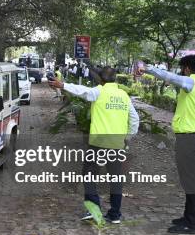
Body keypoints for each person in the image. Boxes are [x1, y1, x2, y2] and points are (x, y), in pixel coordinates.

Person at [49, 67, 140, 224]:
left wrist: (62, 85)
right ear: (115, 79)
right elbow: (135, 119)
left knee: (89, 174)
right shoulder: (124, 96)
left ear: (101, 79)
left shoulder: (99, 91)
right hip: (117, 144)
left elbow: (82, 90)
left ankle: (94, 208)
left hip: (98, 144)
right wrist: (127, 138)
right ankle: (115, 214)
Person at [136, 55, 195, 234]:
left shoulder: (191, 83)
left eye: (182, 69)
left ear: (186, 68)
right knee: (190, 180)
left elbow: (169, 77)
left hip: (189, 139)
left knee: (192, 181)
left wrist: (147, 68)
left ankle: (193, 223)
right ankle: (188, 217)